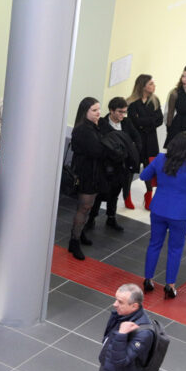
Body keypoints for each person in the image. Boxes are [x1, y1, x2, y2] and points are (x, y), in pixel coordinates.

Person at [136, 131, 186, 298]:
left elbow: (143, 176)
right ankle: (170, 285)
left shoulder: (161, 159)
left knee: (154, 244)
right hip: (181, 212)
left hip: (159, 208)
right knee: (175, 249)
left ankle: (148, 279)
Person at [92, 97, 143, 232]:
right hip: (106, 166)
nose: (123, 115)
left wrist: (133, 151)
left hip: (121, 166)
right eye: (120, 112)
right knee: (99, 193)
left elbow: (137, 137)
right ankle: (91, 218)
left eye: (125, 112)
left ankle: (111, 217)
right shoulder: (101, 123)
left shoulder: (126, 123)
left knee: (115, 193)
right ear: (111, 110)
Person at [68, 97, 109, 261]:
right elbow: (98, 150)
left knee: (89, 206)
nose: (98, 113)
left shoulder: (95, 126)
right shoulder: (82, 130)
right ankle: (74, 240)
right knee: (84, 207)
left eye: (99, 109)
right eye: (94, 110)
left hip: (94, 172)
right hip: (86, 174)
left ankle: (80, 232)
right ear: (85, 111)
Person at [127, 74, 163, 210]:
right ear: (143, 86)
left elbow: (159, 120)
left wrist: (142, 122)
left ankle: (149, 197)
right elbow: (133, 122)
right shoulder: (132, 103)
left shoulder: (155, 100)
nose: (154, 86)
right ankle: (127, 196)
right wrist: (149, 121)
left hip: (151, 141)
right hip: (136, 141)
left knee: (151, 169)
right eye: (151, 84)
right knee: (131, 170)